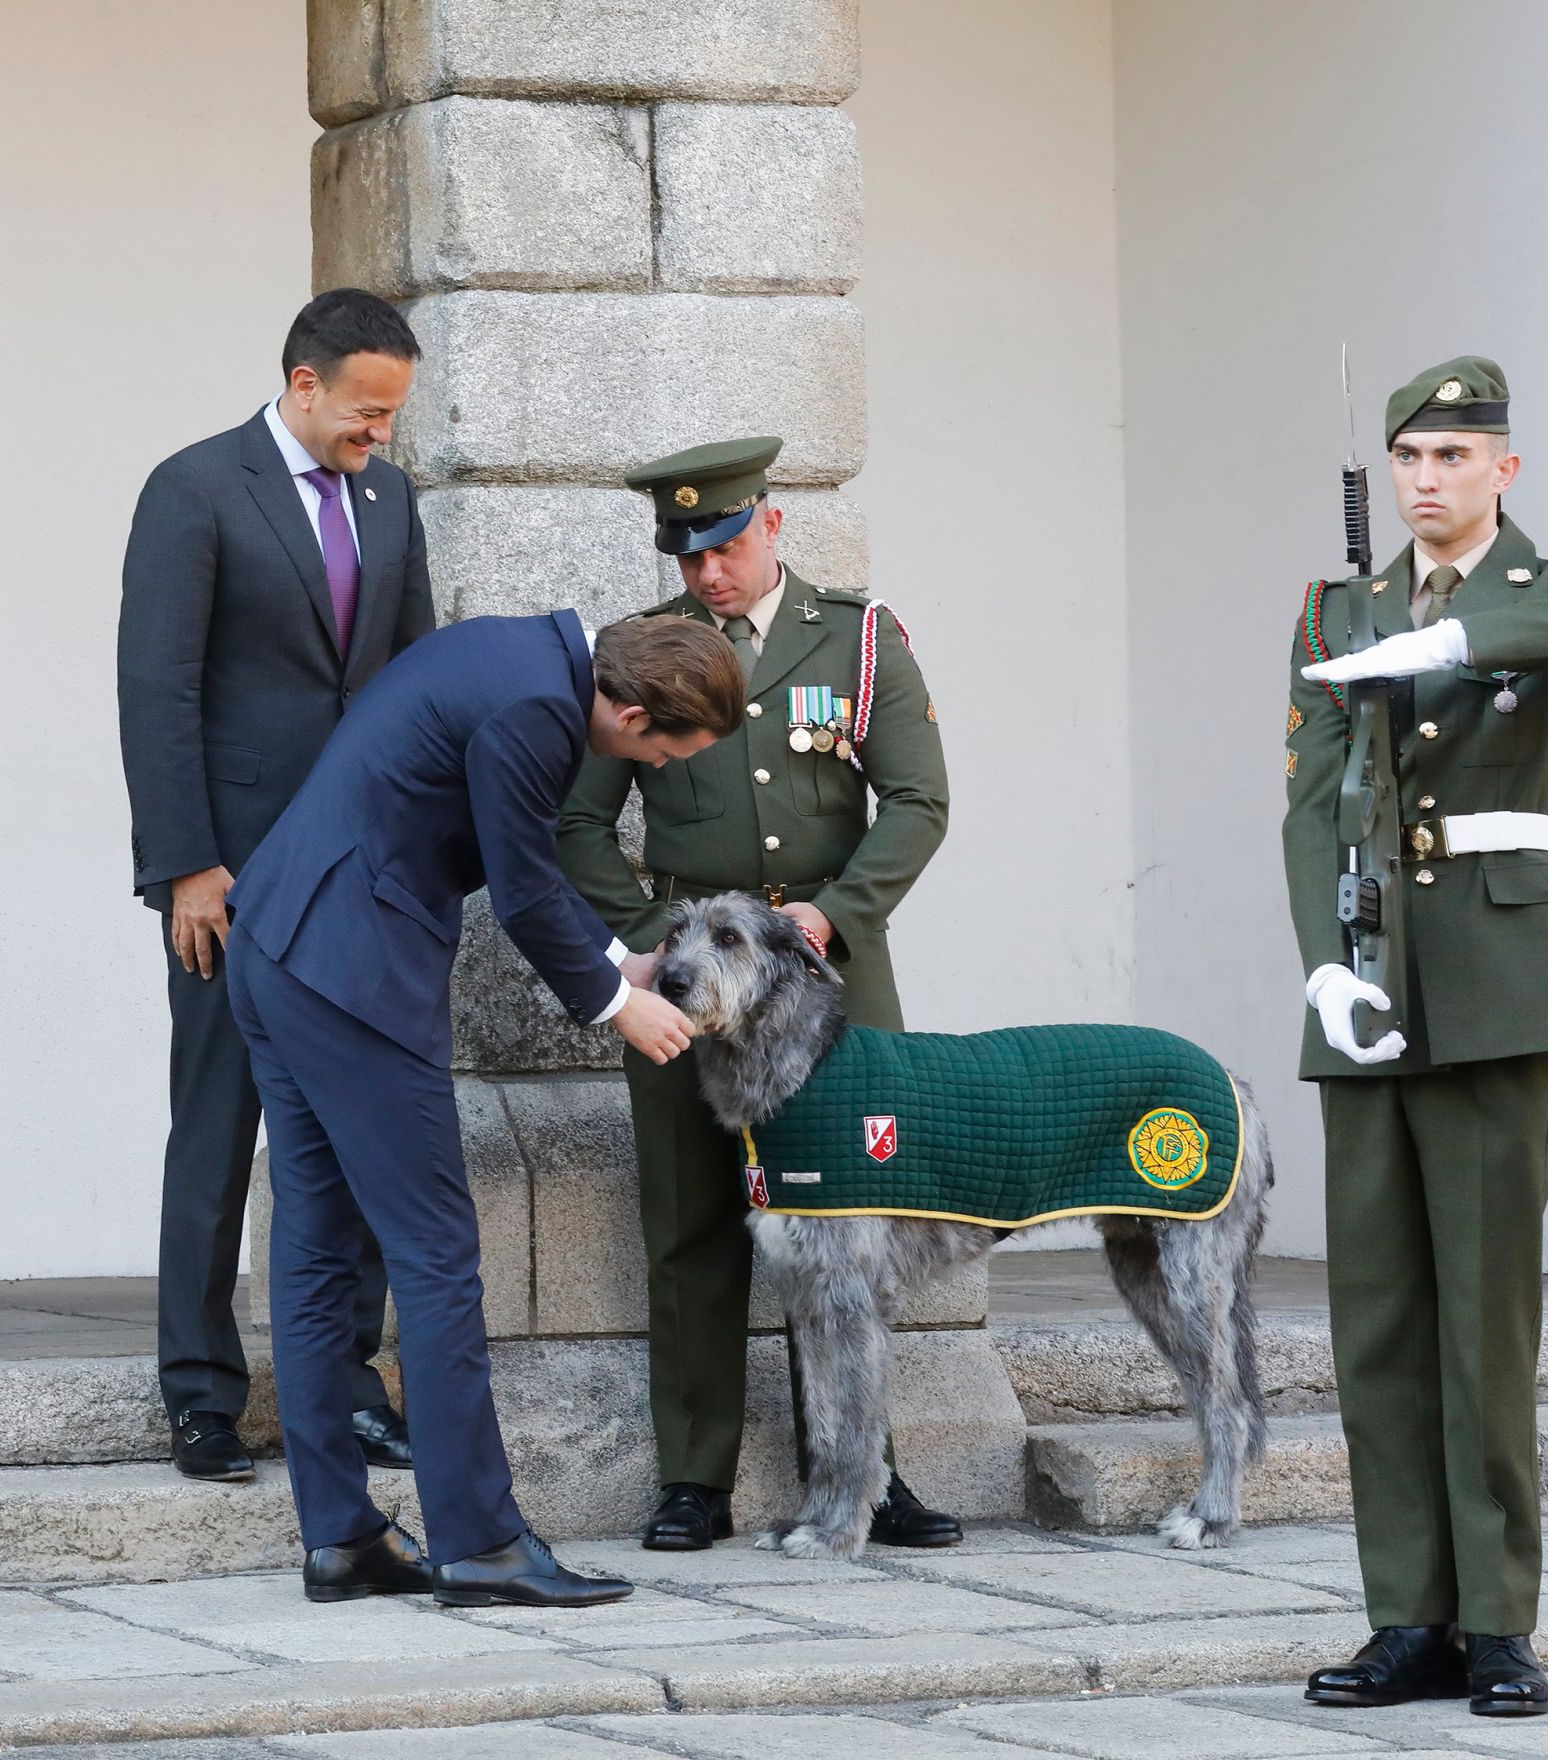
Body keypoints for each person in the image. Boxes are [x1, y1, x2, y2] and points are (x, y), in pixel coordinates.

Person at [1283, 357, 1548, 1718]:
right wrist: (1324, 968)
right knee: (1377, 1320)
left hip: (1499, 971)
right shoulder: (1339, 605)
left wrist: (1454, 646)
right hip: (1374, 973)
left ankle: (1498, 1621)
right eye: (1408, 458)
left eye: (1453, 456)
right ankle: (1406, 1616)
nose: (1426, 480)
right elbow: (1310, 806)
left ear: (1502, 468)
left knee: (1481, 1322)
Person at [226, 610, 744, 1605]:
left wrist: (614, 960)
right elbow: (518, 887)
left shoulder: (517, 656)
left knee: (314, 1251)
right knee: (433, 1253)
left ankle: (340, 1536)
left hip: (279, 944)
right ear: (632, 711)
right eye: (666, 751)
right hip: (350, 968)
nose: (664, 770)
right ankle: (479, 1542)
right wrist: (617, 1005)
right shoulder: (537, 709)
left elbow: (523, 870)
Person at [557, 437, 960, 1552]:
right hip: (690, 974)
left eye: (726, 546)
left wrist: (835, 912)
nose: (709, 575)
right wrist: (654, 947)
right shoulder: (639, 655)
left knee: (848, 1222)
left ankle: (870, 1472)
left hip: (829, 970)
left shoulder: (862, 639)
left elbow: (918, 802)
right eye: (688, 557)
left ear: (771, 525)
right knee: (689, 1219)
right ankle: (693, 1476)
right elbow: (578, 824)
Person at [118, 289, 435, 1483]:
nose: (381, 435)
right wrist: (186, 865)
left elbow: (411, 681)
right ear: (304, 384)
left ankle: (345, 1381)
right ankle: (201, 1393)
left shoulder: (391, 499)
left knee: (355, 1131)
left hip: (362, 874)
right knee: (217, 1127)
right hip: (231, 877)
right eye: (365, 412)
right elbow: (157, 690)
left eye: (392, 415)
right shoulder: (194, 488)